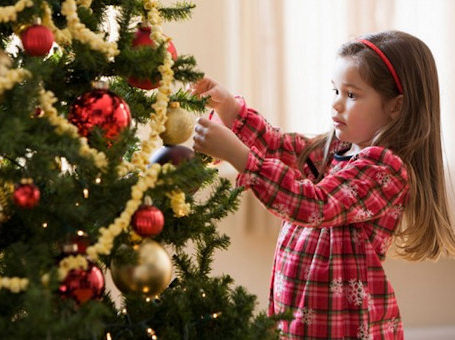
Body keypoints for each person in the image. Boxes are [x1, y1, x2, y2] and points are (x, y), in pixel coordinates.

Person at [191, 30, 455, 339]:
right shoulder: (336, 150)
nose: (337, 105)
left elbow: (315, 204)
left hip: (341, 324)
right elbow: (278, 146)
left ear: (395, 107)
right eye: (335, 91)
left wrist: (238, 155)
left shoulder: (385, 168)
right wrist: (229, 110)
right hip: (298, 310)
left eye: (352, 95)